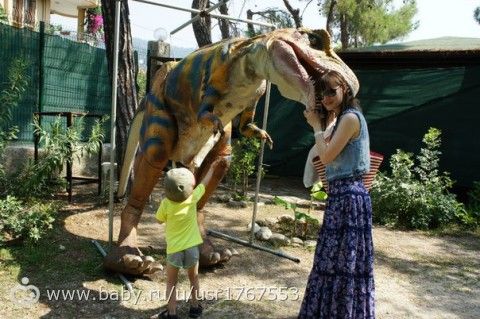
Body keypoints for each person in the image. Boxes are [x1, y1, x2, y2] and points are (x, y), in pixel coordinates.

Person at [299, 70, 375, 318]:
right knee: (331, 262)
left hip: (350, 198)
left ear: (345, 89)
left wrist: (315, 127)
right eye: (323, 94)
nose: (327, 98)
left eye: (332, 91)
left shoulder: (351, 118)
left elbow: (327, 155)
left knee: (344, 264)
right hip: (341, 197)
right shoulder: (340, 118)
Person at [155, 167, 211, 319]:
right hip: (192, 248)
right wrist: (211, 168)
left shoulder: (166, 203)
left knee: (171, 282)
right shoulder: (192, 198)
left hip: (174, 249)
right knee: (194, 278)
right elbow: (204, 184)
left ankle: (172, 314)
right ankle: (194, 308)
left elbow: (159, 220)